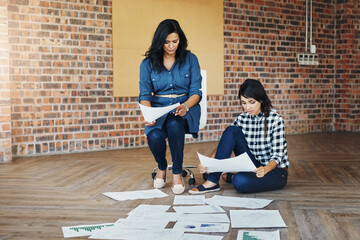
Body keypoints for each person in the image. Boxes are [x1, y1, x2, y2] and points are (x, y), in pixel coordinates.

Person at [189, 79, 289, 194]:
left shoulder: (275, 120)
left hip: (274, 171)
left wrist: (265, 169)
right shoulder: (242, 119)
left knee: (239, 182)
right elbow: (226, 142)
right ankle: (212, 181)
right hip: (252, 165)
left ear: (261, 99)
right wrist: (210, 163)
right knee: (231, 130)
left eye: (252, 102)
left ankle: (233, 176)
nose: (247, 108)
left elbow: (277, 157)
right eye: (244, 103)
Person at [139, 19, 202, 195]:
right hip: (159, 108)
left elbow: (196, 92)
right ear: (159, 41)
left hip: (184, 107)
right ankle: (161, 167)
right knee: (154, 136)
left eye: (175, 41)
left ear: (180, 39)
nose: (171, 46)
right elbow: (144, 95)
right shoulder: (147, 64)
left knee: (175, 125)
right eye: (166, 42)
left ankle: (177, 173)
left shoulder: (190, 59)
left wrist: (186, 106)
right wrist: (148, 113)